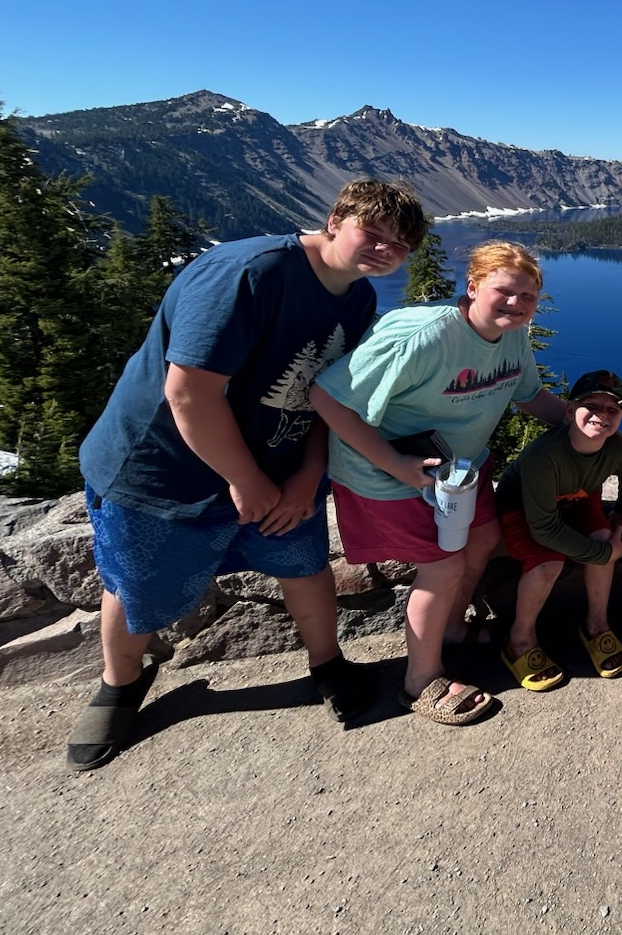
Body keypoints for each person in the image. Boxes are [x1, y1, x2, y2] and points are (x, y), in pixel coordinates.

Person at [70, 180, 428, 771]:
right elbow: (188, 393)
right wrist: (247, 480)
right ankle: (119, 683)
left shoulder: (357, 297)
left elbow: (328, 395)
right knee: (139, 587)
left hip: (278, 467)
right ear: (335, 220)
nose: (385, 250)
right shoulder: (247, 274)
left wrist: (308, 473)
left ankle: (327, 663)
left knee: (303, 566)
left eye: (400, 244)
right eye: (373, 232)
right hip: (163, 469)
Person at [311, 240, 568, 725]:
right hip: (388, 472)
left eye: (528, 296)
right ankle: (421, 681)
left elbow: (530, 396)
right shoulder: (423, 335)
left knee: (483, 540)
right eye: (504, 291)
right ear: (472, 287)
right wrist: (393, 463)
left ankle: (450, 629)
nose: (516, 303)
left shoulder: (512, 335)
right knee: (443, 567)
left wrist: (584, 423)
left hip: (459, 469)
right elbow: (326, 398)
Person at [494, 369, 622, 690]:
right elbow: (544, 529)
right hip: (523, 507)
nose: (602, 415)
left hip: (577, 498)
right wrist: (604, 554)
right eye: (592, 406)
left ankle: (596, 625)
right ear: (570, 410)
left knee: (606, 537)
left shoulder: (620, 448)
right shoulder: (543, 456)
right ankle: (519, 639)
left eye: (612, 409)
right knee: (549, 564)